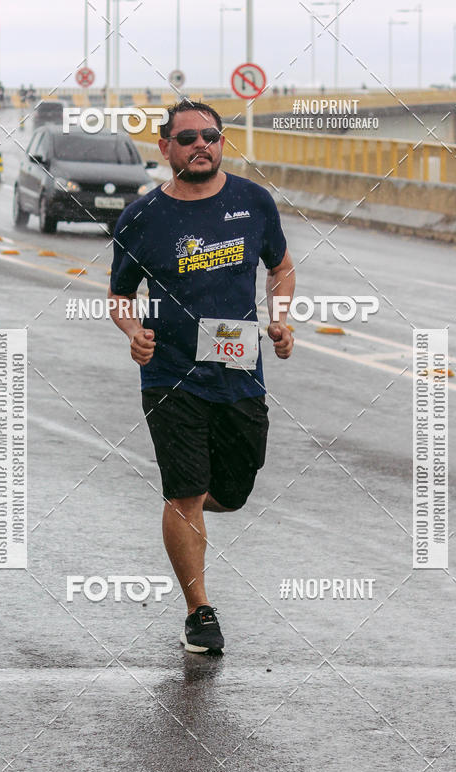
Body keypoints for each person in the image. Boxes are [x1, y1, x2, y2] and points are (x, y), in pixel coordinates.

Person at [108, 99, 295, 654]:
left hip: (238, 369)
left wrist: (279, 320)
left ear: (221, 142)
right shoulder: (142, 216)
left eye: (210, 136)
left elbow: (280, 267)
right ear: (165, 147)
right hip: (170, 375)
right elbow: (119, 295)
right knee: (185, 492)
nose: (201, 146)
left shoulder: (252, 201)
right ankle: (200, 612)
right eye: (187, 138)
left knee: (232, 492)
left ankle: (189, 508)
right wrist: (133, 331)